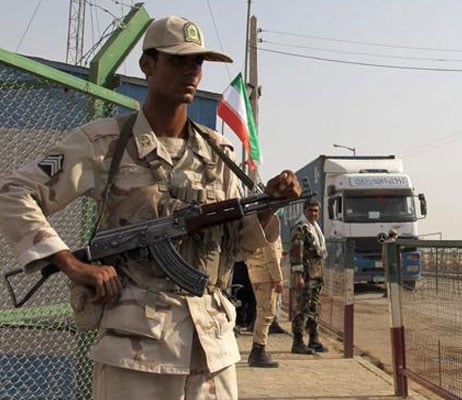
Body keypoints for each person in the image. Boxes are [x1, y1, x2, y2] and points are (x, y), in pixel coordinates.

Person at [0, 15, 301, 399]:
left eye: (198, 62)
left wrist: (269, 206)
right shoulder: (104, 143)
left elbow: (236, 247)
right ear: (148, 65)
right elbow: (14, 192)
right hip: (135, 352)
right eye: (178, 60)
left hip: (211, 350)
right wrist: (73, 265)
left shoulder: (217, 152)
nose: (191, 71)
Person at [289, 198, 328, 354]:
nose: (313, 213)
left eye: (316, 210)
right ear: (304, 211)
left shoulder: (315, 228)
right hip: (305, 275)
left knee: (314, 307)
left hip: (316, 276)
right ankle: (297, 342)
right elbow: (296, 254)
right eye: (311, 210)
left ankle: (313, 338)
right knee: (302, 308)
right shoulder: (300, 228)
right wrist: (298, 275)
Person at [245, 237, 284, 367]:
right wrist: (278, 278)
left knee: (263, 312)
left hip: (258, 271)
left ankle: (258, 350)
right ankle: (258, 351)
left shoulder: (260, 224)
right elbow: (271, 254)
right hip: (266, 274)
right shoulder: (270, 225)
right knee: (266, 313)